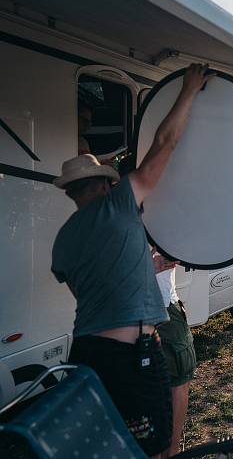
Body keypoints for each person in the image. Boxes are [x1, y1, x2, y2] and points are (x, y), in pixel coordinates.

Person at [51, 64, 213, 458]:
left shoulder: (63, 239)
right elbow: (165, 143)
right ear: (107, 183)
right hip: (131, 355)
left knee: (109, 446)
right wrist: (189, 89)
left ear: (71, 192)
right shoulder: (120, 203)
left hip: (87, 355)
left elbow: (84, 291)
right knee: (155, 448)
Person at [153, 251, 197, 458]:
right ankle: (171, 452)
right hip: (159, 309)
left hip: (160, 307)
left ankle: (170, 451)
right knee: (179, 376)